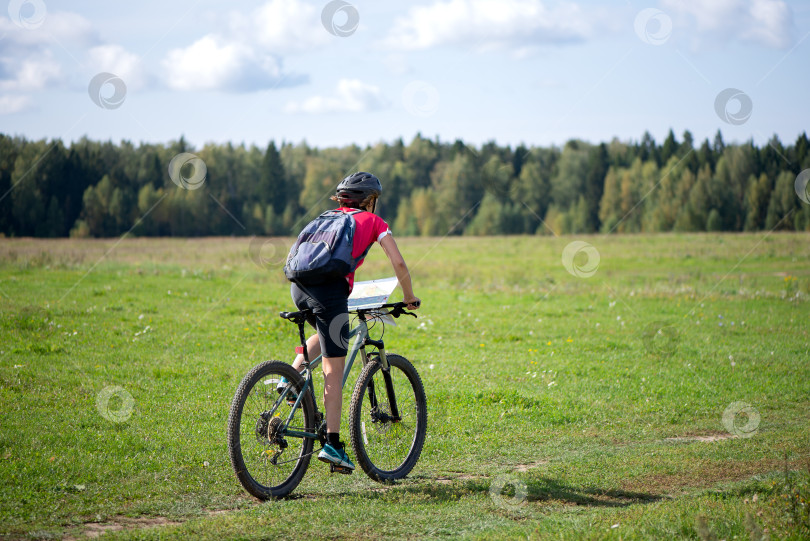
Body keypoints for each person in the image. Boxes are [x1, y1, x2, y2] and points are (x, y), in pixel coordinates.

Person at [286, 172, 420, 471]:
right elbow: (398, 262)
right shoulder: (374, 222)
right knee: (333, 370)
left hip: (298, 288)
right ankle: (333, 446)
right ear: (370, 200)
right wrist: (409, 296)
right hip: (329, 291)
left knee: (330, 330)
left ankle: (290, 379)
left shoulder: (326, 216)